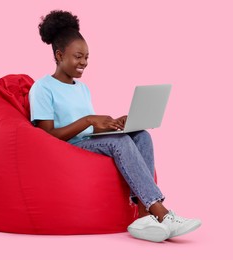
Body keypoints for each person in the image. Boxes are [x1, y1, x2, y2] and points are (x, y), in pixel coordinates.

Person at [29, 10, 201, 242]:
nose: (84, 63)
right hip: (68, 149)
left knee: (141, 136)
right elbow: (45, 135)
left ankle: (143, 216)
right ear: (59, 55)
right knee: (119, 141)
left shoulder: (81, 88)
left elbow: (88, 129)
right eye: (78, 56)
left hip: (87, 142)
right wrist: (89, 120)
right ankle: (160, 212)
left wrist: (112, 124)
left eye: (87, 57)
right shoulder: (42, 88)